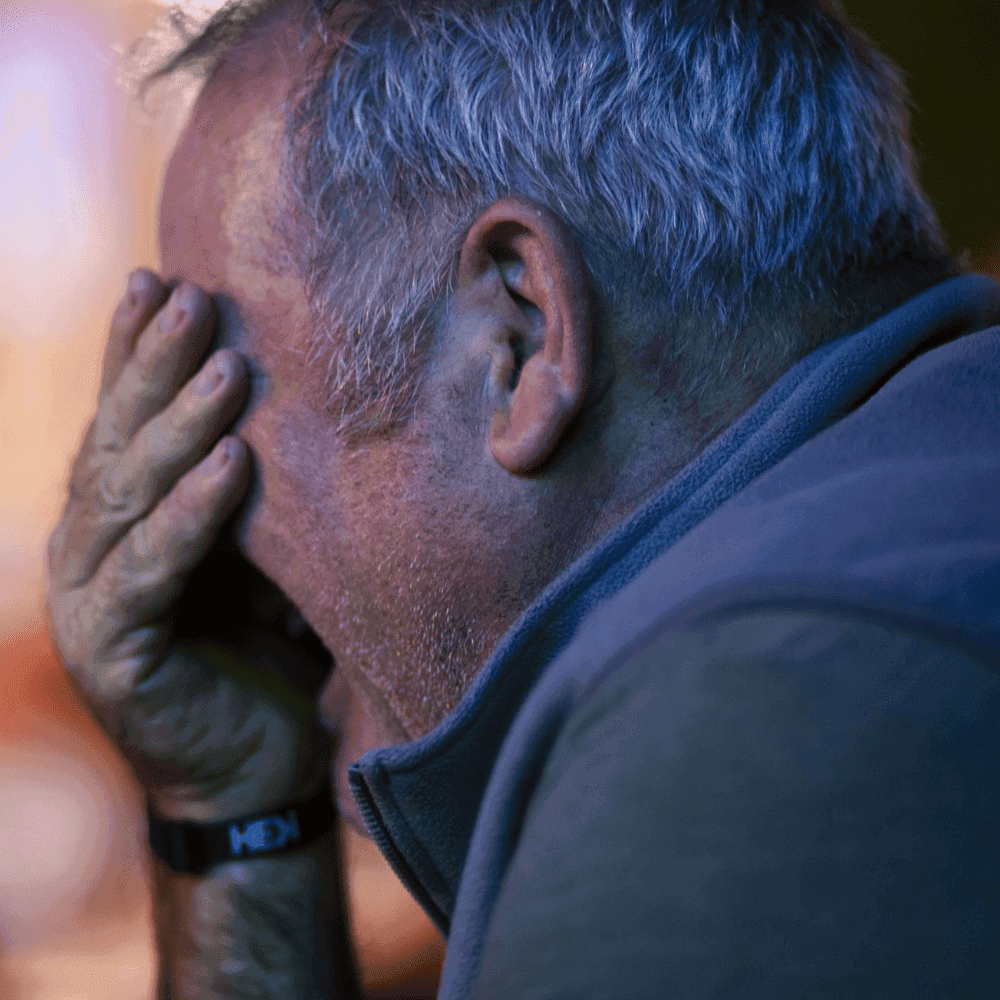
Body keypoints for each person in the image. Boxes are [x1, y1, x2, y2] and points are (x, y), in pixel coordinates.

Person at [46, 0, 1000, 996]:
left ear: (515, 337)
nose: (200, 537)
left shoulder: (749, 732)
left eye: (216, 394)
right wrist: (234, 806)